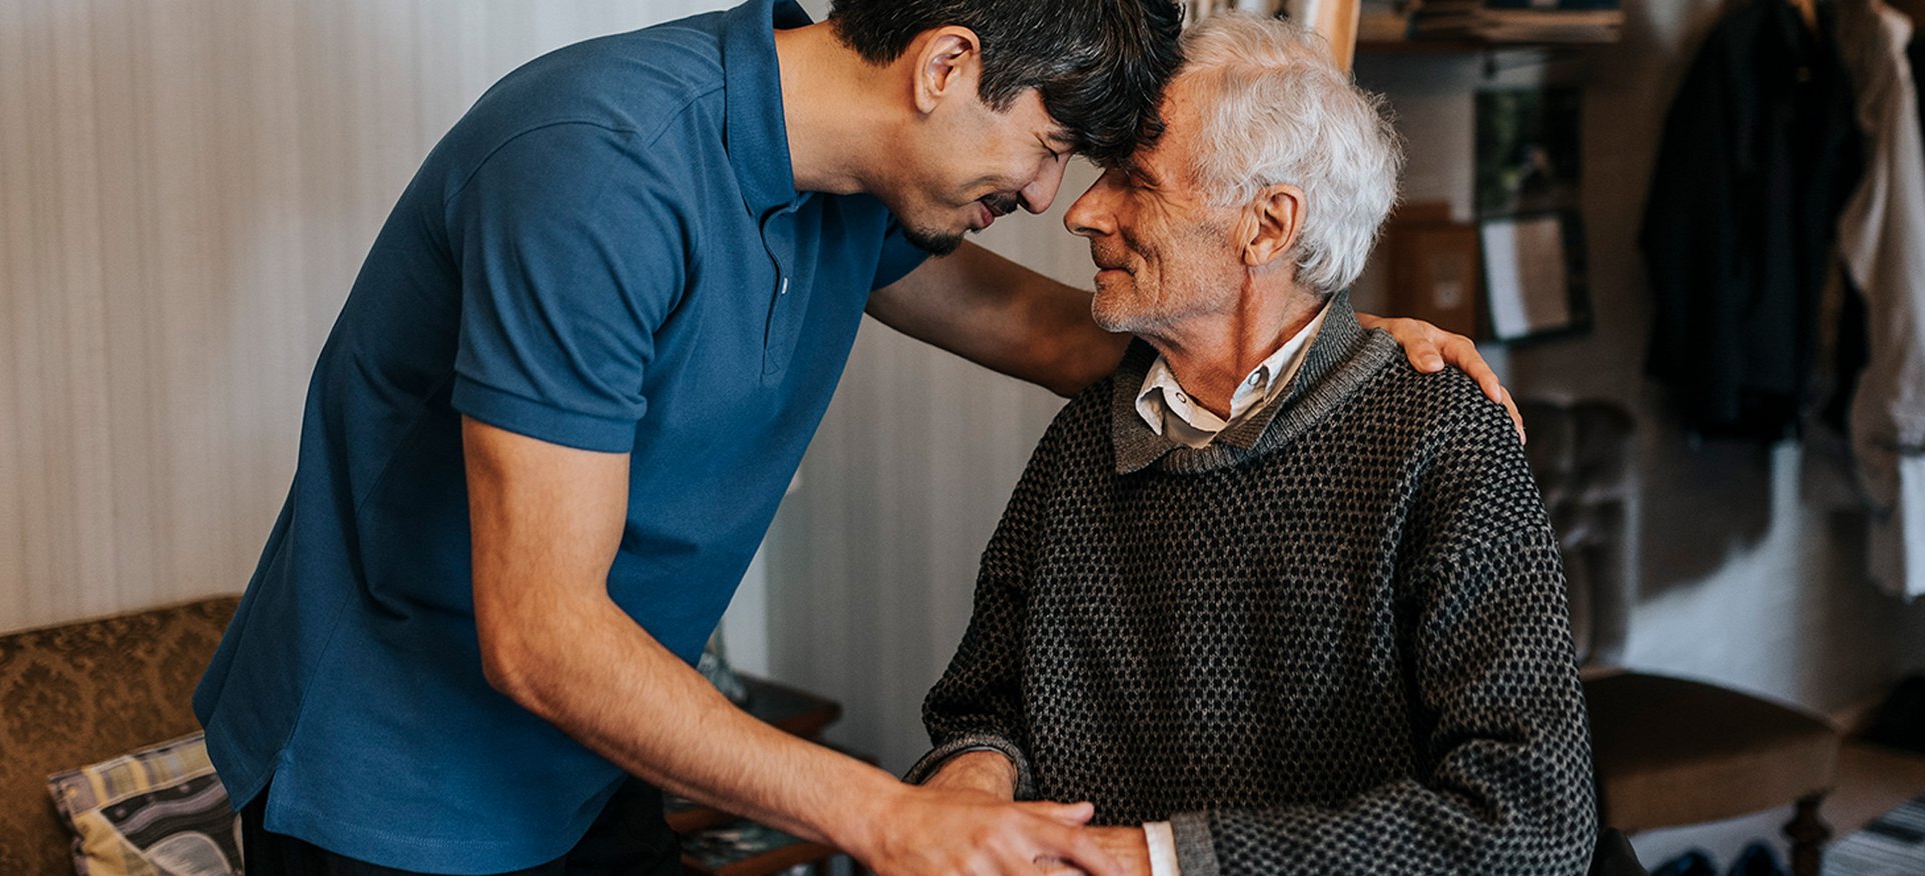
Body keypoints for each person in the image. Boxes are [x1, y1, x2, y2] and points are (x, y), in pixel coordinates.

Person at [190, 0, 1517, 874]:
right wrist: (885, 814)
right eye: (1049, 146)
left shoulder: (855, 183)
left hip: (595, 762)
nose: (1053, 200)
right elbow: (539, 635)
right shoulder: (598, 172)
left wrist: (1341, 342)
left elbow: (1063, 335)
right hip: (397, 777)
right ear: (946, 66)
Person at [908, 16, 1596, 876]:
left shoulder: (1441, 442)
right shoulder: (1087, 438)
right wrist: (975, 777)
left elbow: (1532, 817)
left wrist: (1154, 862)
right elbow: (983, 703)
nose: (1082, 212)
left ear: (1267, 227)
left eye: (1135, 180)